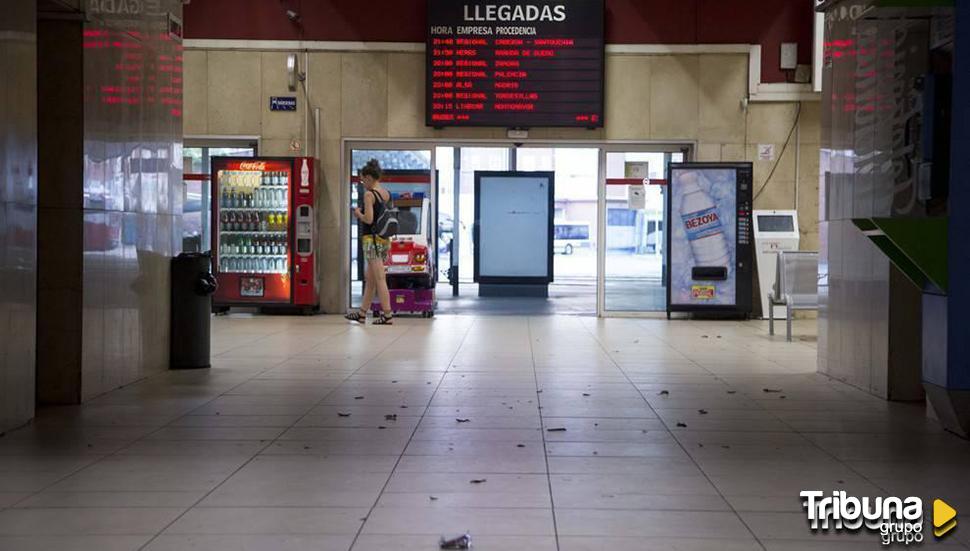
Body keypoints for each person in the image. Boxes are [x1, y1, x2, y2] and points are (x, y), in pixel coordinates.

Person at [346, 159, 393, 325]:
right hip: (384, 239)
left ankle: (387, 315)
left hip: (371, 241)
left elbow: (369, 218)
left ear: (369, 178)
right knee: (371, 279)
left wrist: (358, 213)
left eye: (362, 179)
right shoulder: (385, 193)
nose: (362, 183)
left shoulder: (369, 194)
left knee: (379, 278)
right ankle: (361, 313)